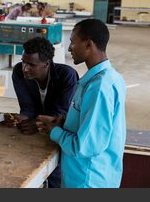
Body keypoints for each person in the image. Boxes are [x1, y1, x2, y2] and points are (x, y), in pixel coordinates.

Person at [36, 19, 126, 188]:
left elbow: (84, 147)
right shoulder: (109, 78)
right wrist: (63, 123)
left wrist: (54, 131)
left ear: (88, 45)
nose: (70, 47)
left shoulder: (99, 87)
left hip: (88, 180)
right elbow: (95, 126)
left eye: (72, 42)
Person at [11, 36, 79, 188]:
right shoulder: (18, 72)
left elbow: (59, 113)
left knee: (55, 175)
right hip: (35, 136)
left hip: (59, 136)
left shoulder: (67, 76)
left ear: (46, 64)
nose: (24, 68)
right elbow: (27, 107)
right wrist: (19, 118)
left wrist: (36, 123)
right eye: (23, 61)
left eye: (31, 64)